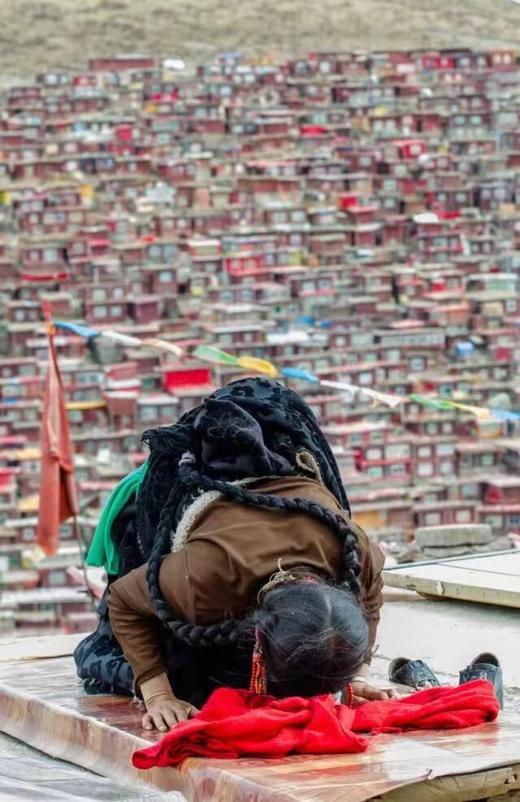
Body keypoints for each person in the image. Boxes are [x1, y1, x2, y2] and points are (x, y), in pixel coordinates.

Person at [75, 377, 394, 732]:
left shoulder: (354, 556)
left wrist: (359, 674)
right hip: (191, 500)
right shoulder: (202, 579)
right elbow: (124, 601)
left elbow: (372, 597)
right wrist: (158, 694)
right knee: (193, 684)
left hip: (287, 457)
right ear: (257, 647)